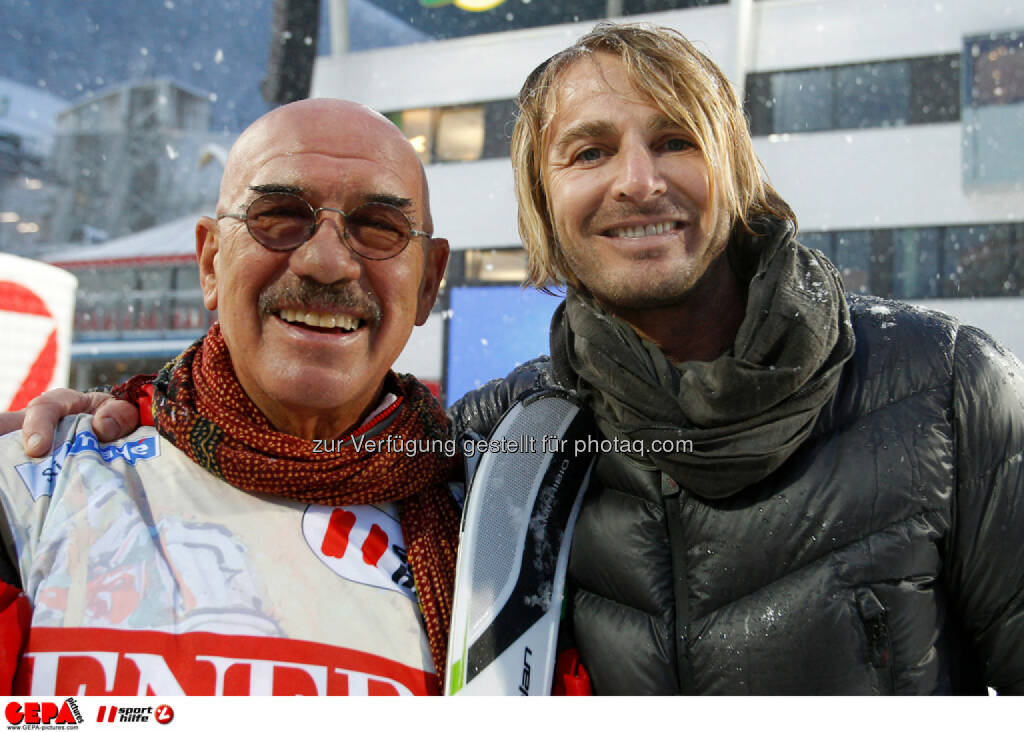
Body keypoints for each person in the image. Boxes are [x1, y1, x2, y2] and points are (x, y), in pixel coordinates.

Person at [9, 22, 1024, 695]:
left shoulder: (941, 390)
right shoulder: (503, 441)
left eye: (675, 140)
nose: (635, 181)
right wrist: (154, 412)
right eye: (586, 152)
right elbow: (275, 444)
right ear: (543, 208)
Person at [0, 98, 459, 695]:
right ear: (211, 261)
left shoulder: (497, 523)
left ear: (427, 283)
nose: (325, 262)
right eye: (280, 215)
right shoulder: (32, 486)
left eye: (378, 227)